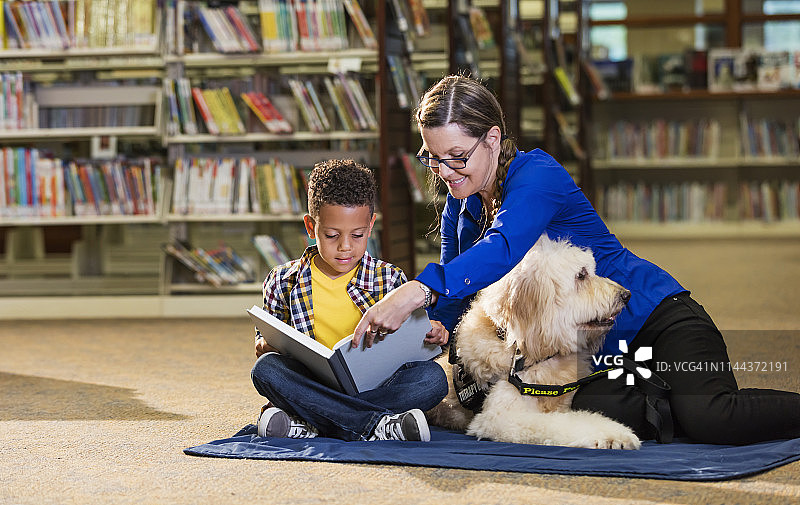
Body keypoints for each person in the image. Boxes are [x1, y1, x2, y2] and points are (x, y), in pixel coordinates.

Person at [352, 75, 800, 445]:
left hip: (654, 316)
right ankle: (663, 396)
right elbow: (455, 302)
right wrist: (430, 330)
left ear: (492, 138)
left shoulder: (538, 175)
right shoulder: (460, 207)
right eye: (434, 159)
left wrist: (415, 290)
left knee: (712, 419)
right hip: (584, 351)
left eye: (458, 157)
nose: (446, 172)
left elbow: (504, 249)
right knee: (572, 410)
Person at [251, 159, 449, 442]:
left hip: (375, 385)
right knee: (267, 370)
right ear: (310, 226)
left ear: (371, 226)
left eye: (357, 235)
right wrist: (267, 345)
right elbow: (264, 344)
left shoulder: (390, 279)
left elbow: (411, 344)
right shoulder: (283, 281)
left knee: (432, 379)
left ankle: (314, 422)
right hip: (313, 383)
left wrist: (432, 334)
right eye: (332, 235)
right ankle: (378, 425)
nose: (345, 247)